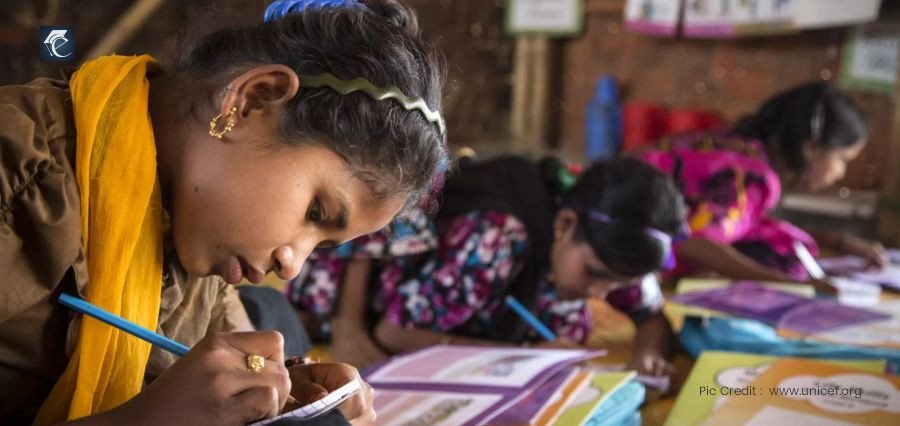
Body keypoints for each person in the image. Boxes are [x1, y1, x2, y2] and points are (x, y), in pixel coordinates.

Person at [0, 0, 448, 424]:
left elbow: (231, 361)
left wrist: (286, 394)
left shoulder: (199, 239)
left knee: (274, 316)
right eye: (315, 211)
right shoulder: (17, 175)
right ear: (250, 101)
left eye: (324, 246)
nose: (291, 265)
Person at [288, 156, 688, 380]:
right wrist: (524, 357)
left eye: (617, 284)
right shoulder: (496, 238)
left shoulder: (611, 248)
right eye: (595, 274)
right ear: (564, 225)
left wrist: (647, 355)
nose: (601, 293)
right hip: (388, 289)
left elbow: (651, 314)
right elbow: (395, 333)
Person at [635, 82, 887, 284]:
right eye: (843, 159)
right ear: (811, 148)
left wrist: (836, 242)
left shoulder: (733, 143)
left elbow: (741, 222)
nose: (841, 173)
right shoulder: (753, 177)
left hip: (621, 226)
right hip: (628, 255)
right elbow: (691, 242)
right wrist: (782, 284)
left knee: (783, 238)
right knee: (783, 257)